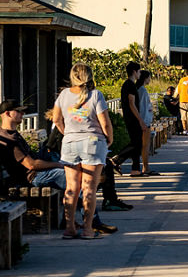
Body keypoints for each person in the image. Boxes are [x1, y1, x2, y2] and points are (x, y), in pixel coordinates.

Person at [0, 100, 123, 232]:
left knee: (77, 177)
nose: (23, 114)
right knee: (78, 181)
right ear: (7, 113)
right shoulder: (8, 139)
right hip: (32, 177)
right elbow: (31, 164)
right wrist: (59, 165)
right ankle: (93, 223)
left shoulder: (13, 135)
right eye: (19, 111)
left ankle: (70, 221)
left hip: (36, 173)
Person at [52, 63, 113, 239]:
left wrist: (68, 133)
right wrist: (109, 138)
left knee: (71, 188)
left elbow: (56, 119)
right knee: (89, 189)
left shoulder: (63, 95)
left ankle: (69, 228)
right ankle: (87, 229)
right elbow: (105, 122)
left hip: (70, 143)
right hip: (92, 143)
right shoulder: (96, 95)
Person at [117, 61, 146, 176]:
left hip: (131, 117)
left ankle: (135, 169)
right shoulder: (129, 85)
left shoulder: (129, 84)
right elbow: (131, 103)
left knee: (137, 143)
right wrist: (140, 120)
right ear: (134, 72)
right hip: (132, 118)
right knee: (135, 142)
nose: (140, 74)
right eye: (139, 71)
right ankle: (117, 159)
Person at [137, 69, 156, 175]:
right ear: (145, 78)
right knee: (145, 145)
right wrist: (144, 122)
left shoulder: (140, 89)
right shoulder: (142, 91)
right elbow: (143, 108)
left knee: (144, 145)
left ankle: (145, 166)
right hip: (144, 122)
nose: (150, 80)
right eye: (149, 77)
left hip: (144, 121)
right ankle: (146, 166)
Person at [177, 68, 188, 134]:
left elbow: (178, 90)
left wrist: (175, 97)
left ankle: (184, 129)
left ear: (186, 73)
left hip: (182, 99)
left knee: (183, 116)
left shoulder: (182, 80)